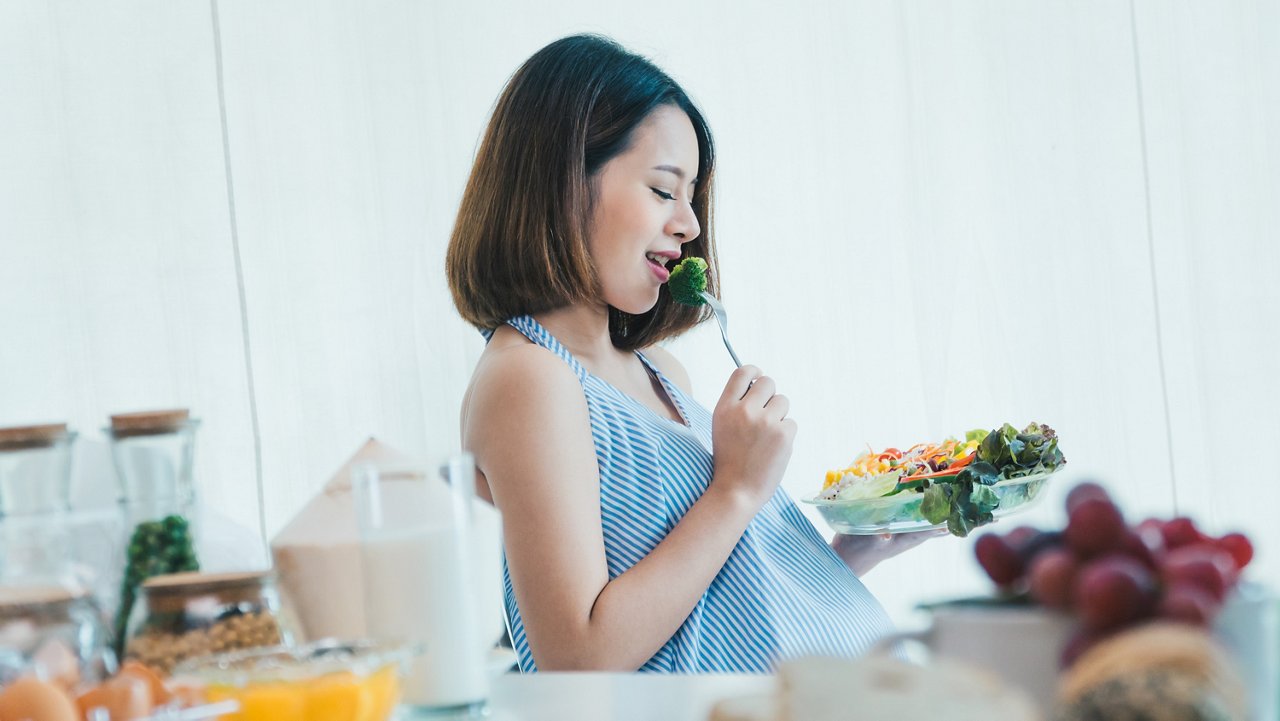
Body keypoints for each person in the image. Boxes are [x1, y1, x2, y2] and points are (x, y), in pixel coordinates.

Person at [447, 34, 934, 673]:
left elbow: (712, 610)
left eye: (691, 194)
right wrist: (734, 489)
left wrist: (844, 558)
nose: (690, 224)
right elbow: (577, 658)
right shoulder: (528, 377)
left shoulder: (659, 374)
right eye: (662, 189)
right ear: (563, 180)